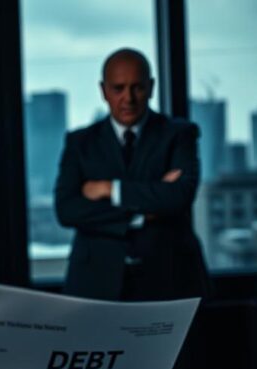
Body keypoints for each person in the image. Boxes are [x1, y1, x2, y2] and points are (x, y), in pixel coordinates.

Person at [54, 48, 209, 301]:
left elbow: (179, 196)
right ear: (103, 91)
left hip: (170, 279)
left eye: (137, 87)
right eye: (118, 88)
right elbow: (67, 209)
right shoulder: (79, 142)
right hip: (95, 283)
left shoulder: (180, 134)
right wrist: (146, 207)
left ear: (151, 87)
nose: (128, 98)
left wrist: (109, 189)